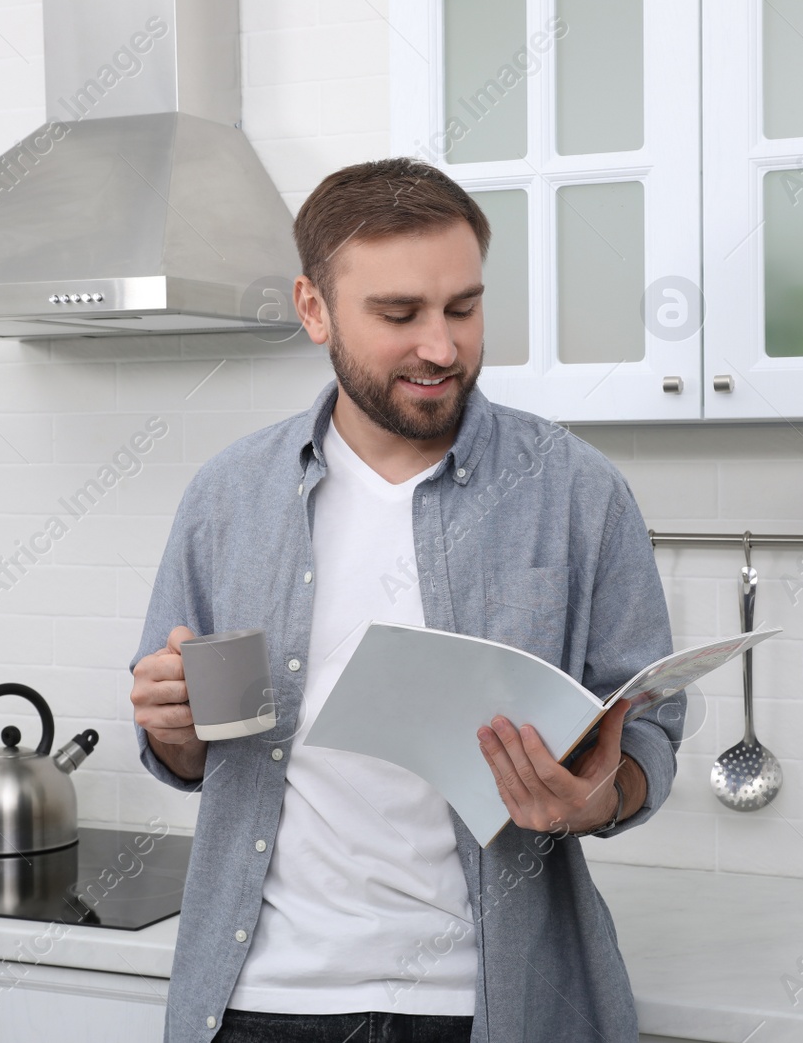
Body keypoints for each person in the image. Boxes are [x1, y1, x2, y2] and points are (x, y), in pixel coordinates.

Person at [129, 157, 680, 1043]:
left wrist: (599, 797)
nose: (441, 345)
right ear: (314, 309)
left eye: (463, 307)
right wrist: (173, 730)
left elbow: (650, 727)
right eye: (400, 315)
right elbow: (190, 751)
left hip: (493, 1004)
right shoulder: (227, 498)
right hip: (263, 1003)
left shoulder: (577, 491)